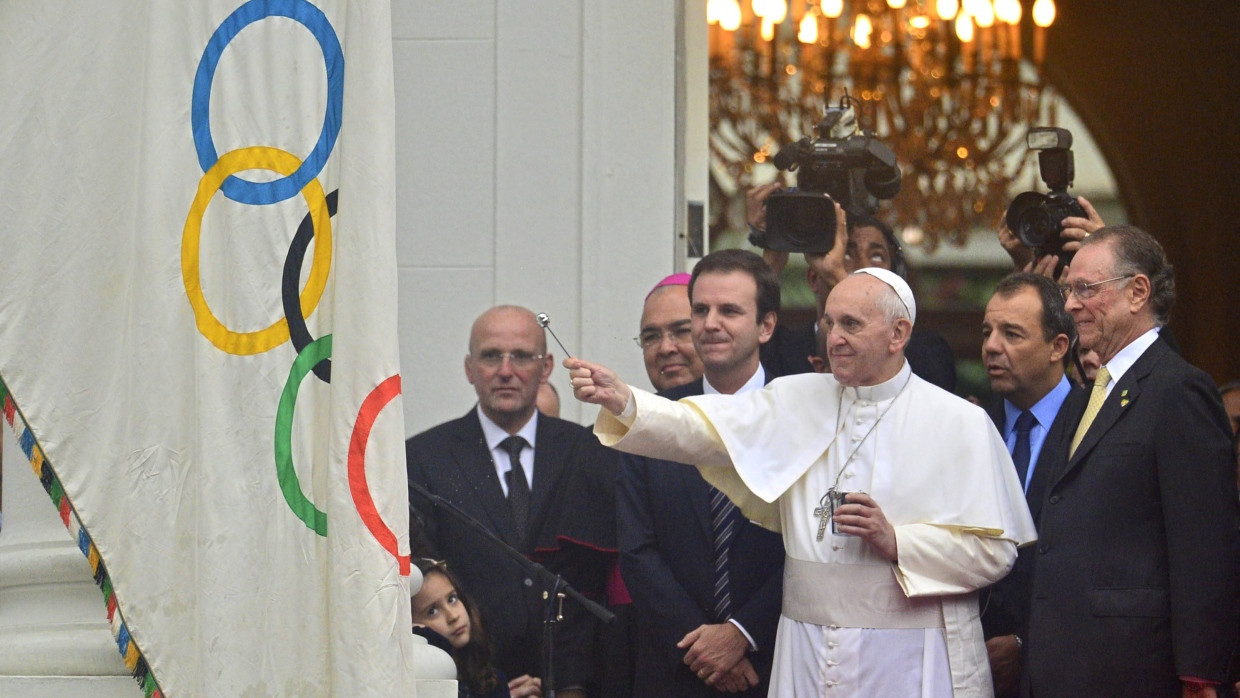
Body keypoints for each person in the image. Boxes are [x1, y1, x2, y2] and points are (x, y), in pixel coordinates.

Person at [568, 268, 1035, 696]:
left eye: (851, 324)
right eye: (830, 324)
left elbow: (996, 554)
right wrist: (627, 402)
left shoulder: (960, 423)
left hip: (912, 663)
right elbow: (700, 432)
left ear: (898, 334)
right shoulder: (797, 396)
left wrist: (898, 542)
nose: (835, 338)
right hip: (807, 658)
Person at [1026, 225, 1240, 696]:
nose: (1071, 305)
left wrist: (1202, 673)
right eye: (1068, 290)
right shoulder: (1084, 400)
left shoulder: (1179, 390)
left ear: (1137, 291)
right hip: (1062, 666)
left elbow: (1204, 544)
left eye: (1086, 289)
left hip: (1135, 670)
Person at [406, 306, 617, 698]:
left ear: (547, 366)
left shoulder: (587, 451)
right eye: (491, 356)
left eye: (521, 356)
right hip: (472, 681)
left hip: (576, 682)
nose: (506, 370)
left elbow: (595, 574)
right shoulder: (422, 459)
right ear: (470, 368)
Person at [618, 250, 785, 697]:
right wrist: (704, 646)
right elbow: (637, 550)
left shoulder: (805, 412)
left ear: (765, 326)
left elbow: (812, 545)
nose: (710, 323)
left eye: (729, 310)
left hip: (775, 663)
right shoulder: (651, 417)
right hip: (675, 668)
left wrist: (742, 633)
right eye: (701, 310)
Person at [976, 272, 1081, 697]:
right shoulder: (970, 425)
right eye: (987, 331)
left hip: (1060, 670)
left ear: (1057, 347)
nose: (991, 346)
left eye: (1011, 334)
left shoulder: (1097, 426)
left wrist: (1025, 642)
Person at [747, 183, 957, 390]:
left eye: (877, 256)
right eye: (847, 254)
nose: (863, 267)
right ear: (813, 278)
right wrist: (772, 261)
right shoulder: (780, 347)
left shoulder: (926, 350)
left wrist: (837, 275)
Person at [412, 558, 543, 698]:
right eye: (432, 611)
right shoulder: (416, 686)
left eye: (452, 599)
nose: (453, 616)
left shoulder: (492, 681)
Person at [636, 273, 705, 392]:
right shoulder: (634, 410)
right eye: (651, 337)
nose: (665, 348)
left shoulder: (745, 407)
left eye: (682, 331)